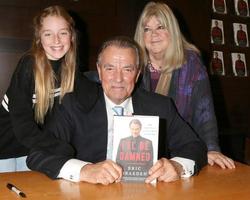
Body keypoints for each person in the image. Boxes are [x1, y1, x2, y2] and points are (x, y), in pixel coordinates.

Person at [27, 36, 207, 185]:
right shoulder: (73, 105)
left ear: (137, 74)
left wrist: (177, 167)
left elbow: (194, 146)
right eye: (110, 68)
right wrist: (85, 170)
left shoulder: (160, 106)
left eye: (127, 69)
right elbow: (38, 154)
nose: (118, 78)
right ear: (99, 70)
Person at [134, 2, 235, 169]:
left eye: (160, 27)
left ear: (172, 31)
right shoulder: (134, 64)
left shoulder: (191, 63)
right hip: (139, 155)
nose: (153, 35)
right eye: (147, 29)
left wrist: (211, 148)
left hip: (181, 153)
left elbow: (204, 110)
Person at [0, 5, 86, 172]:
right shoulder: (28, 65)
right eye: (48, 34)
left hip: (33, 149)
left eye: (63, 33)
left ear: (72, 36)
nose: (56, 40)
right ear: (39, 38)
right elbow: (23, 127)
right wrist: (63, 148)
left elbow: (90, 100)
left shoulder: (71, 69)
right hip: (4, 147)